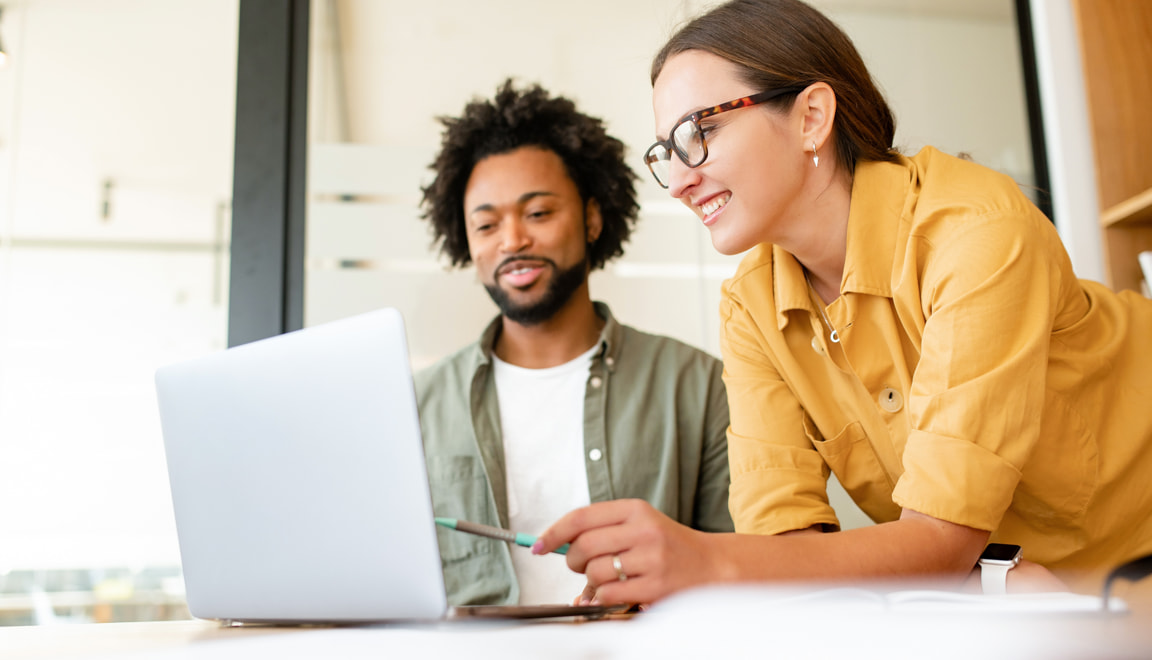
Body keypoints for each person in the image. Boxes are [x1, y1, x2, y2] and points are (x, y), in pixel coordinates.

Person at [533, 0, 1152, 606]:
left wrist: (707, 561)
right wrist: (987, 581)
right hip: (1034, 606)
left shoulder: (975, 233)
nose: (681, 180)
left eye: (701, 132)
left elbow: (938, 543)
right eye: (667, 152)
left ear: (811, 117)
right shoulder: (751, 306)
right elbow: (785, 546)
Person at [414, 79, 734, 607]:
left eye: (538, 213)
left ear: (591, 218)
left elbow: (742, 568)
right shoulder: (417, 408)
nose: (512, 240)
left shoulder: (697, 387)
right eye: (487, 224)